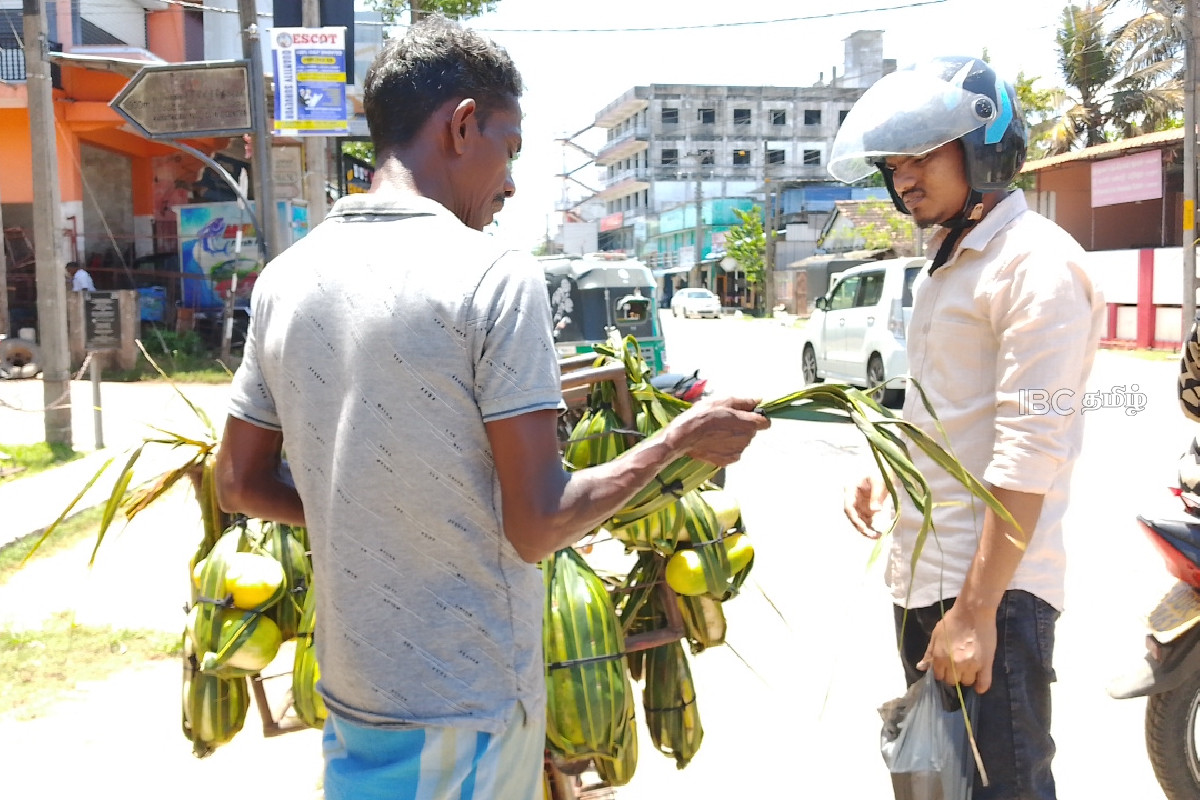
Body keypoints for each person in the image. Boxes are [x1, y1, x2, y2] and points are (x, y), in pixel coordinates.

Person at [214, 16, 768, 800]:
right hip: (463, 703)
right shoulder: (493, 276)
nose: (510, 182)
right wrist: (678, 441)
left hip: (353, 692)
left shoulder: (284, 280)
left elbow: (236, 482)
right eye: (509, 148)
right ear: (463, 124)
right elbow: (538, 524)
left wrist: (371, 517)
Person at [829, 57, 1104, 799]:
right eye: (893, 164)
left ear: (983, 147)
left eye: (922, 156)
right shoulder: (952, 265)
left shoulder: (1035, 267)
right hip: (931, 581)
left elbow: (1028, 452)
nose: (903, 179)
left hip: (992, 595)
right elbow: (948, 409)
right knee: (940, 786)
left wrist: (977, 611)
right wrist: (890, 468)